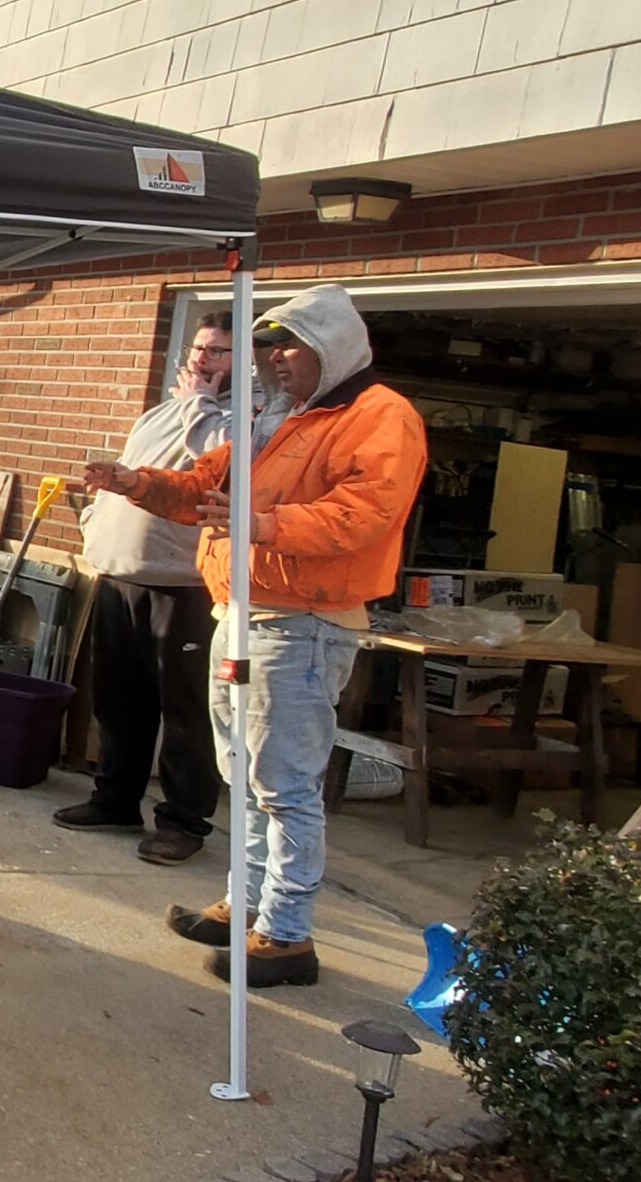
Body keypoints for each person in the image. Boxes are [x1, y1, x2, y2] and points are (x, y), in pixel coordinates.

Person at [82, 285, 426, 987]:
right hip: (242, 612)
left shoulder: (381, 418)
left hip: (302, 623)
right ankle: (249, 909)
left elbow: (364, 515)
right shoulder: (280, 420)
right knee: (245, 775)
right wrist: (134, 482)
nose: (275, 361)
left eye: (288, 347)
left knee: (284, 785)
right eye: (269, 349)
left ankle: (287, 936)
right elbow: (203, 486)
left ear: (330, 348)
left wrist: (263, 526)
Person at [53, 315, 234, 866]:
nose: (203, 359)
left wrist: (196, 404)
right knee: (118, 702)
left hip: (184, 589)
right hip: (121, 578)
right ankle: (115, 798)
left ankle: (183, 822)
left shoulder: (239, 421)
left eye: (219, 352)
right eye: (200, 347)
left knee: (185, 712)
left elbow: (217, 467)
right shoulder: (162, 411)